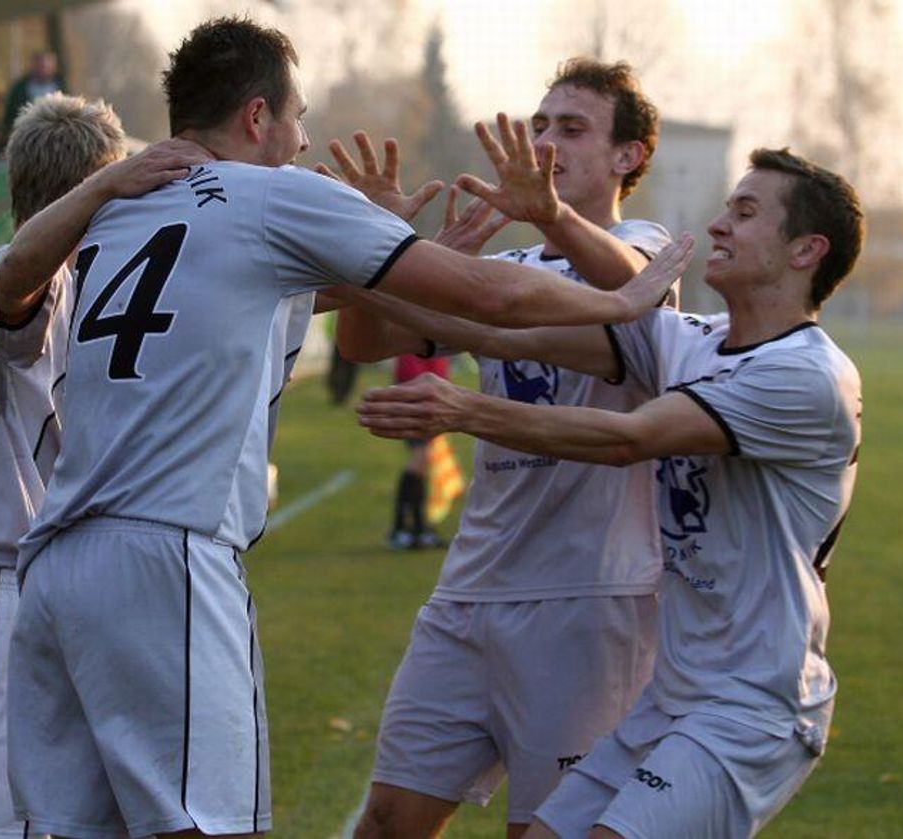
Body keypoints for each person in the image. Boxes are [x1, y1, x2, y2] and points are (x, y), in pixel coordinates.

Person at [0, 16, 682, 839]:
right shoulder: (278, 196)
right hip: (167, 553)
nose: (305, 139)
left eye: (568, 128)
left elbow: (563, 301)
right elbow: (477, 302)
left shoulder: (119, 211)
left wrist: (379, 256)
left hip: (57, 559)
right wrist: (614, 301)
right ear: (258, 118)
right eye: (297, 116)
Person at [357, 147, 864, 839]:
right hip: (670, 699)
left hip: (754, 705)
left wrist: (466, 410)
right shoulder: (693, 340)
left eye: (744, 213)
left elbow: (628, 437)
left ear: (807, 250)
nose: (718, 225)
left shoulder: (807, 376)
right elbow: (494, 329)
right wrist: (357, 253)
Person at [329, 58, 670, 838]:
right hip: (469, 591)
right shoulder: (505, 269)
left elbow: (630, 295)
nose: (546, 143)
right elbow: (363, 337)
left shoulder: (647, 248)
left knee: (546, 830)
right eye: (540, 125)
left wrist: (549, 215)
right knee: (385, 820)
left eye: (573, 129)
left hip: (586, 602)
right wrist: (371, 240)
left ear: (630, 156)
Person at [0, 93, 201, 839]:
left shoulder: (61, 284)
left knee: (80, 811)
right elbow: (17, 280)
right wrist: (107, 187)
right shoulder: (24, 276)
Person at [388, 352, 451, 550]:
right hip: (419, 398)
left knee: (422, 463)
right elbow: (409, 366)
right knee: (419, 461)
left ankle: (417, 527)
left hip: (429, 398)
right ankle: (404, 528)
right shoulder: (419, 329)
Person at [4, 51, 64, 132]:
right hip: (25, 132)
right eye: (41, 66)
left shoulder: (61, 86)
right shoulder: (20, 88)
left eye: (47, 66)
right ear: (33, 65)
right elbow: (11, 114)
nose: (43, 69)